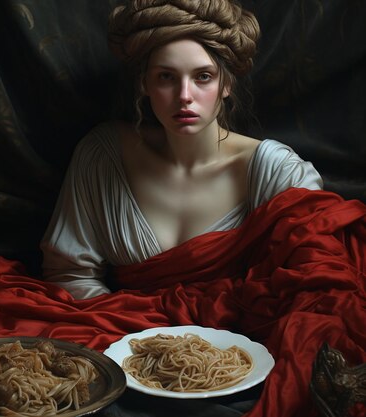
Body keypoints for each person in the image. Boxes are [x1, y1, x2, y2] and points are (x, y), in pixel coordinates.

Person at [40, 0, 323, 299]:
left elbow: (311, 279)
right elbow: (69, 273)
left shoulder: (278, 172)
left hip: (240, 341)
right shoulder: (103, 155)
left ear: (226, 84)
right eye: (166, 77)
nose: (184, 96)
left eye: (203, 76)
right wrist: (139, 338)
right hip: (120, 335)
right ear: (144, 83)